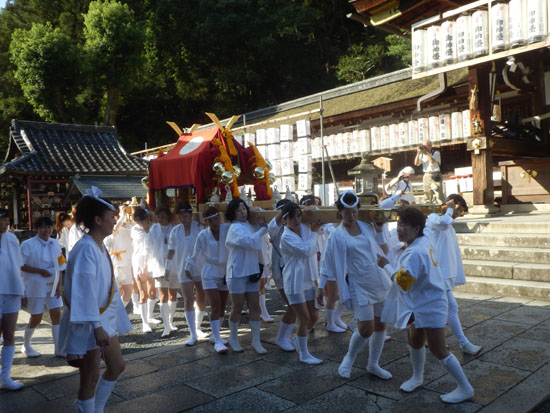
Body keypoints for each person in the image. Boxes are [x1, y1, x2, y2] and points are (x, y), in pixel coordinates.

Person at [377, 206, 474, 404]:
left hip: (430, 305)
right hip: (421, 303)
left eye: (405, 225)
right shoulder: (422, 241)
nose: (399, 229)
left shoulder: (415, 252)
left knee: (439, 350)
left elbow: (403, 282)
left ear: (417, 228)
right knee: (415, 340)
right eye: (398, 224)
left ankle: (465, 387)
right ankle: (417, 377)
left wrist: (385, 264)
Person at [58, 187, 132, 412]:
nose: (114, 221)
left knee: (117, 366)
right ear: (98, 220)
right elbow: (85, 290)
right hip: (90, 322)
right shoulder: (85, 248)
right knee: (89, 377)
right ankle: (88, 408)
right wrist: (96, 325)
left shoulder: (99, 246)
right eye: (111, 217)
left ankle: (94, 408)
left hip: (103, 319)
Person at [318, 190, 392, 380]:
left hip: (377, 278)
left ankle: (373, 364)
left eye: (353, 211)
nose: (350, 216)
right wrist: (321, 286)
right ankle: (349, 358)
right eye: (346, 212)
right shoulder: (336, 235)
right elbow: (327, 261)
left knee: (381, 325)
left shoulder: (366, 227)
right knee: (366, 327)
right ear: (340, 213)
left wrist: (380, 228)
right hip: (358, 283)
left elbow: (382, 247)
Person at [425, 194, 482, 356]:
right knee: (451, 307)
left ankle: (431, 340)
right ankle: (463, 343)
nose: (457, 213)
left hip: (445, 274)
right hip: (437, 274)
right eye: (457, 208)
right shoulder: (434, 218)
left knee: (434, 309)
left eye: (460, 211)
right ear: (448, 204)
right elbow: (441, 223)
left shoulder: (448, 224)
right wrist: (449, 209)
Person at [280, 202, 322, 364]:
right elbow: (305, 250)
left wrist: (310, 209)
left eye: (298, 215)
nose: (296, 220)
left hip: (310, 279)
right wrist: (315, 234)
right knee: (303, 318)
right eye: (291, 217)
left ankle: (298, 340)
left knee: (314, 315)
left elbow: (319, 218)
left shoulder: (305, 228)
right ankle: (303, 354)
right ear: (285, 220)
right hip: (294, 282)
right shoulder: (286, 236)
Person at [225, 198, 268, 354]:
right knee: (237, 307)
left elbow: (261, 228)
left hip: (251, 271)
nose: (242, 212)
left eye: (244, 208)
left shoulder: (249, 225)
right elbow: (251, 242)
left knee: (255, 306)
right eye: (238, 210)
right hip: (236, 272)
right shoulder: (235, 228)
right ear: (233, 213)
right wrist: (262, 229)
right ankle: (233, 338)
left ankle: (256, 341)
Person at [20, 216, 66, 358]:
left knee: (57, 314)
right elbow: (20, 265)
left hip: (53, 286)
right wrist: (39, 271)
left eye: (48, 227)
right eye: (42, 227)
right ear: (36, 229)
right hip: (36, 285)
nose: (46, 230)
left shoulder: (55, 243)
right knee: (37, 317)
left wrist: (59, 286)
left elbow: (61, 266)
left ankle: (58, 348)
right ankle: (26, 345)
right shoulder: (28, 244)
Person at [186, 206, 230, 353]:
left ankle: (214, 335)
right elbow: (194, 253)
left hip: (225, 272)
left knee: (223, 305)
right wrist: (188, 267)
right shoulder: (203, 235)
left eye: (215, 219)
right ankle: (218, 340)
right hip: (209, 272)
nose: (214, 222)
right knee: (215, 304)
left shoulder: (227, 229)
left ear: (219, 217)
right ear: (206, 222)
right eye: (210, 220)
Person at [166, 202, 204, 344]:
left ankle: (198, 327)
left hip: (200, 266)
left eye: (186, 215)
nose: (183, 218)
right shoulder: (175, 231)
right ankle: (192, 333)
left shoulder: (199, 227)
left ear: (191, 215)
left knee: (201, 297)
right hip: (183, 268)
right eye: (180, 216)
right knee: (188, 299)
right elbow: (171, 251)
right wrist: (167, 268)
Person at [268, 199, 297, 351]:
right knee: (293, 305)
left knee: (298, 306)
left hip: (295, 270)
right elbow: (273, 225)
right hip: (280, 270)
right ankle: (281, 337)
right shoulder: (275, 228)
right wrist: (284, 210)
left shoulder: (296, 224)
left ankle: (286, 336)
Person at [0, 207, 25, 390]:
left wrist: (21, 290)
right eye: (3, 219)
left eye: (7, 219)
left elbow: (18, 265)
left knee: (10, 334)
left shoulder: (11, 238)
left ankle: (5, 376)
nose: (7, 222)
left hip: (11, 291)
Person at [147, 206, 178, 338]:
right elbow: (149, 247)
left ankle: (170, 321)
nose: (160, 219)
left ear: (168, 217)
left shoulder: (174, 228)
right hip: (159, 264)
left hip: (174, 264)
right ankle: (166, 326)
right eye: (158, 217)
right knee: (163, 295)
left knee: (173, 294)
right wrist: (148, 265)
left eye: (163, 217)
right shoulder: (154, 228)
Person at [131, 207, 159, 333]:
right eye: (137, 220)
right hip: (139, 262)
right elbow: (146, 242)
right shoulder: (135, 229)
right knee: (143, 293)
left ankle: (149, 316)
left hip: (152, 260)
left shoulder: (153, 227)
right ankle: (144, 323)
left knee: (152, 292)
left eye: (140, 220)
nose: (138, 222)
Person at [105, 206, 134, 310]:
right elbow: (115, 228)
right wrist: (123, 214)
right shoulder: (109, 231)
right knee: (115, 291)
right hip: (114, 265)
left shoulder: (128, 229)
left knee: (128, 290)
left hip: (126, 263)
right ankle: (111, 312)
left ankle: (119, 311)